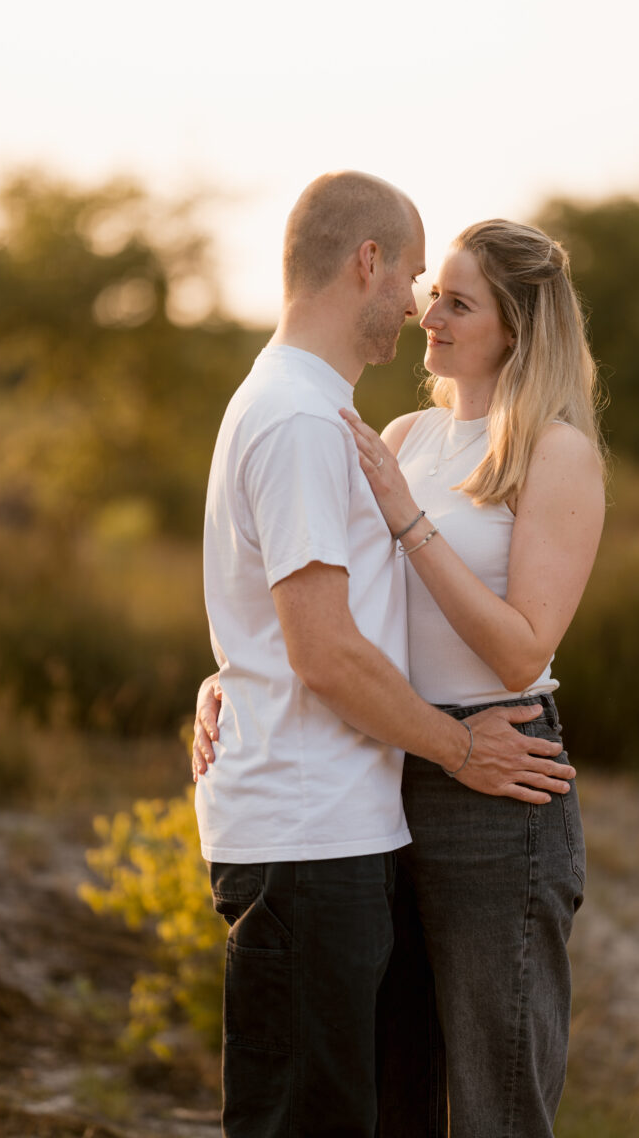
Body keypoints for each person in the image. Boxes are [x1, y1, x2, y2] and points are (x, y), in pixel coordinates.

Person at [194, 174, 578, 1138]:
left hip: (492, 770)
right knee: (393, 1086)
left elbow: (522, 645)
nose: (424, 310)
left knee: (494, 1091)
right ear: (367, 262)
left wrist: (407, 523)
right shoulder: (393, 433)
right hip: (396, 767)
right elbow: (322, 613)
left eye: (455, 298)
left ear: (516, 326)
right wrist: (235, 673)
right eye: (424, 284)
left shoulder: (553, 449)